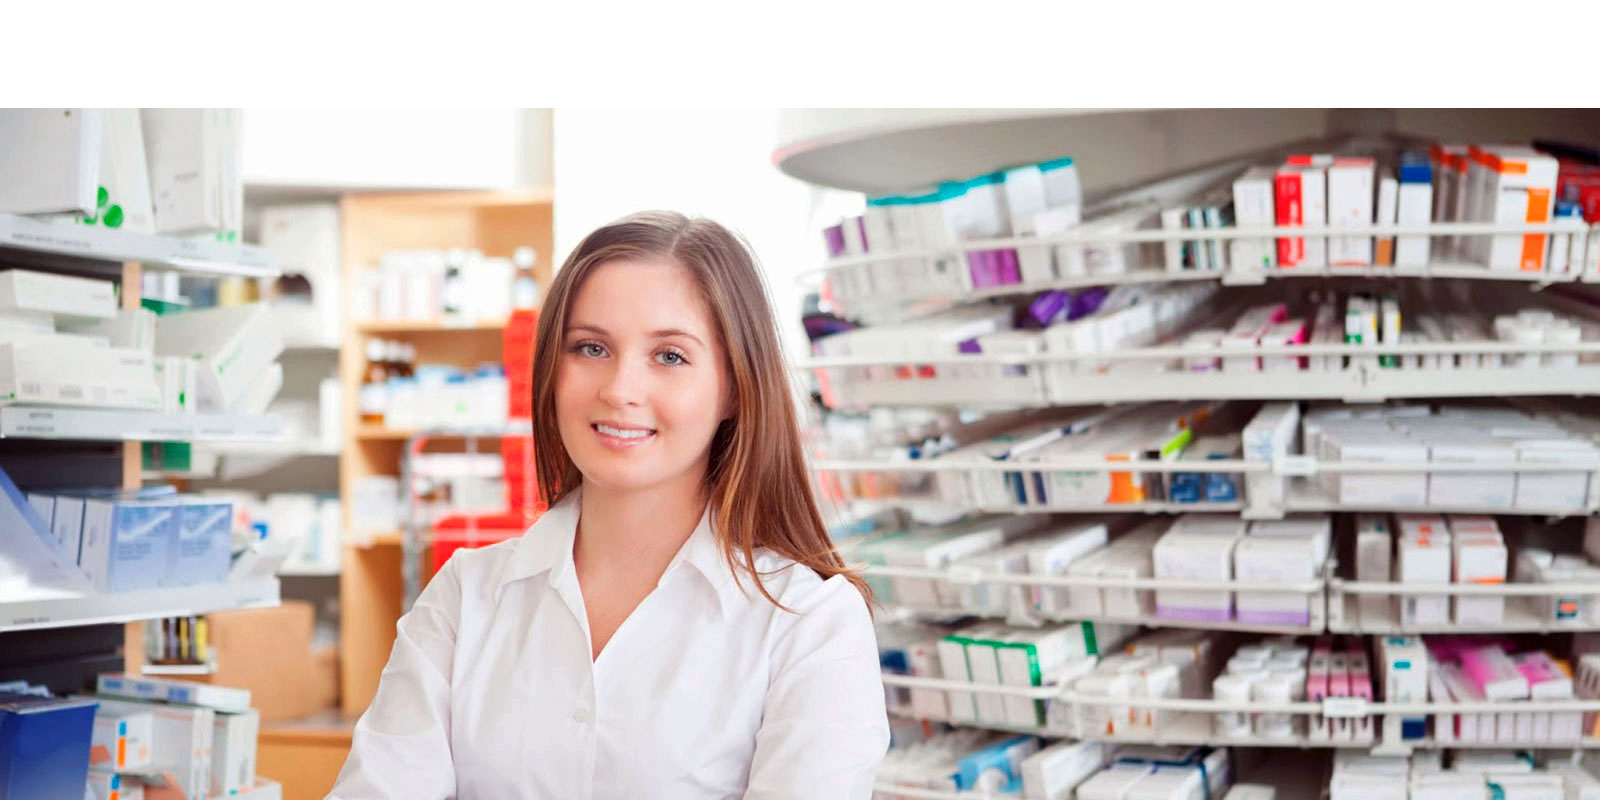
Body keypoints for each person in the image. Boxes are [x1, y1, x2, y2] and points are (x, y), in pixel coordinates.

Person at [328, 211, 890, 799]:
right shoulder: (465, 598)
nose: (619, 389)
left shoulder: (808, 622)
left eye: (670, 356)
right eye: (591, 347)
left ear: (733, 388)